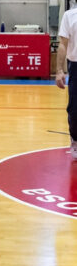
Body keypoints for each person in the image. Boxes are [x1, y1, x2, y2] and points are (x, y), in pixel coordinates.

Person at [56, 8, 77, 161]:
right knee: (75, 109)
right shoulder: (70, 16)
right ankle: (75, 139)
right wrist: (59, 70)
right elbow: (63, 43)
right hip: (75, 66)